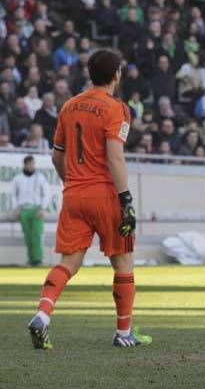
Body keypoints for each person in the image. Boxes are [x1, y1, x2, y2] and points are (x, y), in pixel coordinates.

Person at [27, 50, 151, 350]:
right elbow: (114, 157)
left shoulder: (69, 106)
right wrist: (126, 199)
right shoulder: (117, 108)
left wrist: (71, 182)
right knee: (123, 262)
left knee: (68, 262)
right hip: (105, 195)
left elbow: (57, 155)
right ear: (117, 74)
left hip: (73, 193)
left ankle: (43, 315)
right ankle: (123, 332)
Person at [10, 156, 52, 266]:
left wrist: (43, 208)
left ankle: (38, 259)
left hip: (36, 209)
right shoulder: (17, 179)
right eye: (29, 164)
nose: (31, 166)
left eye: (33, 164)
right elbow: (14, 194)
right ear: (25, 165)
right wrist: (16, 208)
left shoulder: (40, 178)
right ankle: (31, 260)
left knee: (36, 236)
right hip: (24, 210)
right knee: (28, 236)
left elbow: (46, 194)